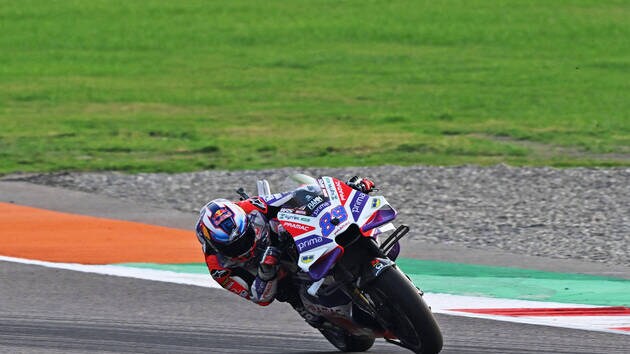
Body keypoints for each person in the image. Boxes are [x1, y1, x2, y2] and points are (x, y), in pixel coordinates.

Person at [194, 176, 376, 308]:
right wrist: (266, 272)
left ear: (247, 221)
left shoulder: (249, 207)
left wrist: (348, 189)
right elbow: (259, 298)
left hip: (282, 241)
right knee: (287, 293)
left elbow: (293, 196)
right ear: (215, 245)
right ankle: (315, 314)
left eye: (245, 236)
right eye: (234, 246)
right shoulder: (217, 267)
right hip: (269, 274)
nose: (242, 246)